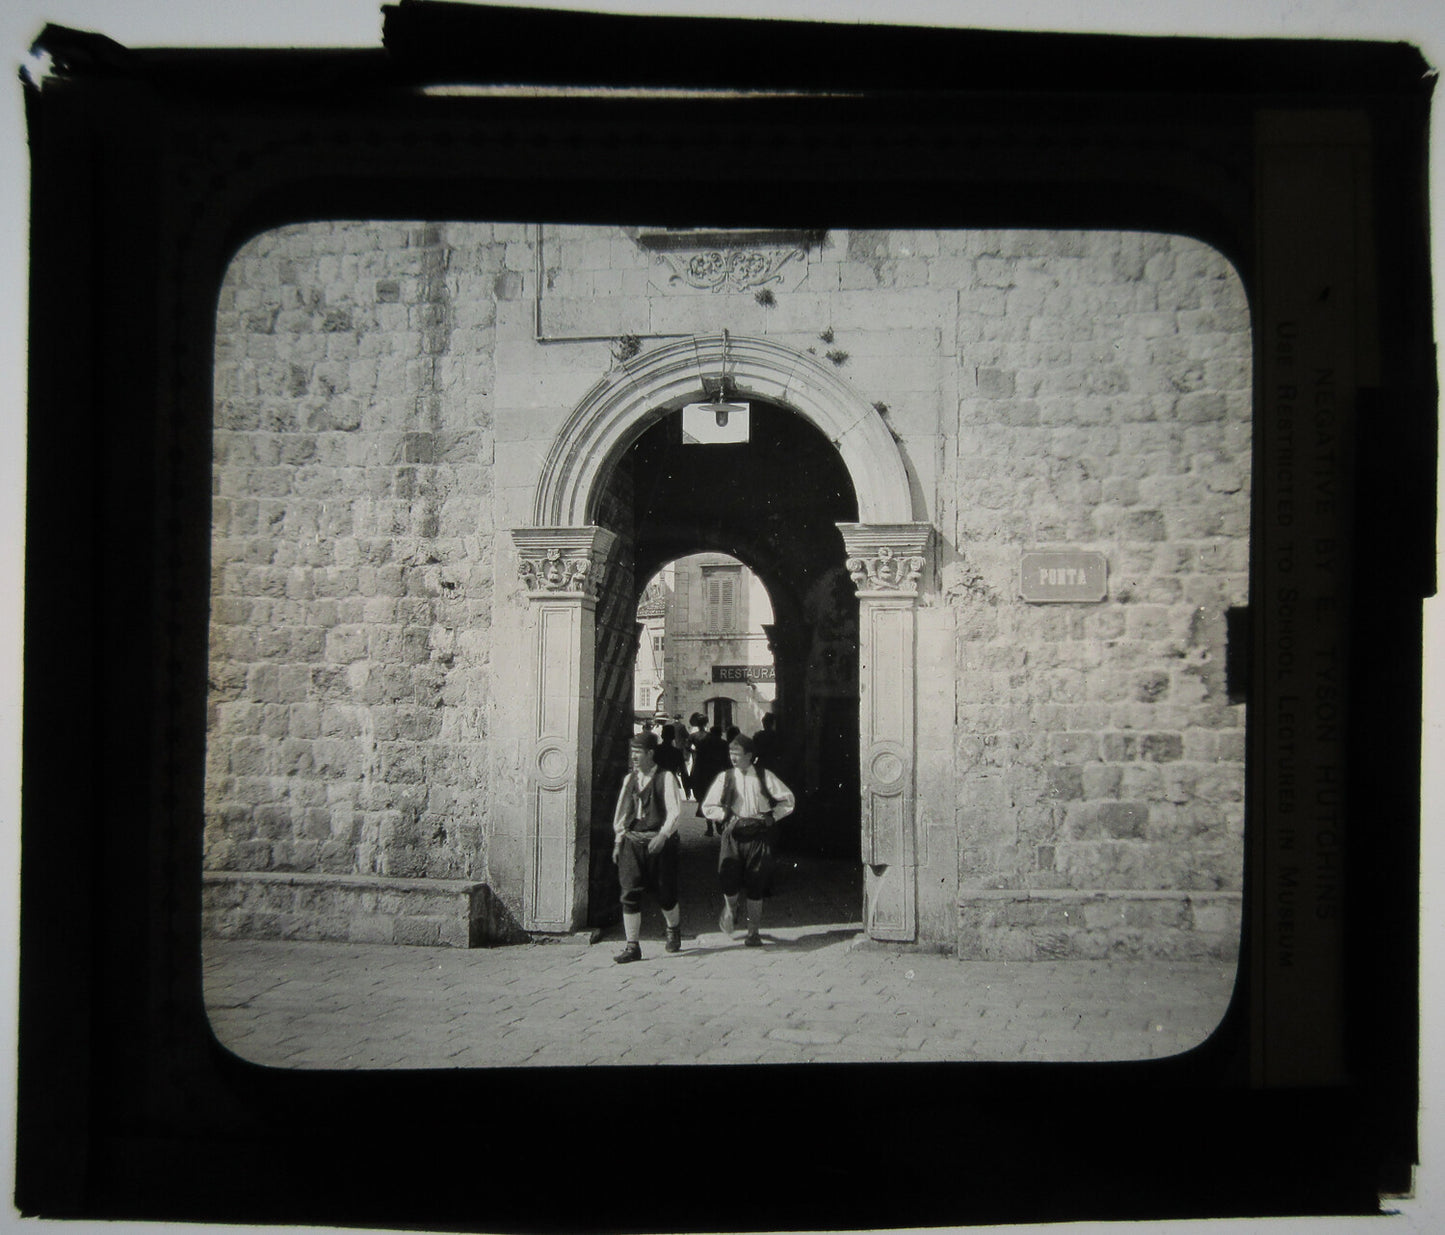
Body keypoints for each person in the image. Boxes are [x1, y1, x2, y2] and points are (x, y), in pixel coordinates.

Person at [700, 733, 795, 947]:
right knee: (728, 880)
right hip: (733, 836)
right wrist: (724, 816)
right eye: (731, 753)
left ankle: (754, 933)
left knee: (756, 882)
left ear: (750, 756)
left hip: (758, 836)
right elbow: (708, 806)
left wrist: (772, 817)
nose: (733, 758)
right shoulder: (725, 778)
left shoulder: (764, 776)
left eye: (737, 754)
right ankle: (732, 907)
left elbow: (788, 800)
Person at [610, 731, 684, 962]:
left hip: (659, 843)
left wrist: (663, 835)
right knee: (629, 892)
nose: (633, 757)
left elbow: (675, 811)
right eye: (632, 752)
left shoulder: (666, 778)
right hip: (633, 842)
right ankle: (632, 946)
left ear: (650, 753)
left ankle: (673, 929)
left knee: (665, 894)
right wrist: (618, 840)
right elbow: (622, 812)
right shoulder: (629, 780)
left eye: (638, 752)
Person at [691, 721, 730, 836]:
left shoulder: (703, 743)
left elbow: (698, 761)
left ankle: (709, 828)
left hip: (705, 775)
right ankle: (719, 823)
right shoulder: (724, 743)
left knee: (706, 798)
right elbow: (727, 760)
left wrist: (694, 775)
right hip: (719, 774)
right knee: (720, 799)